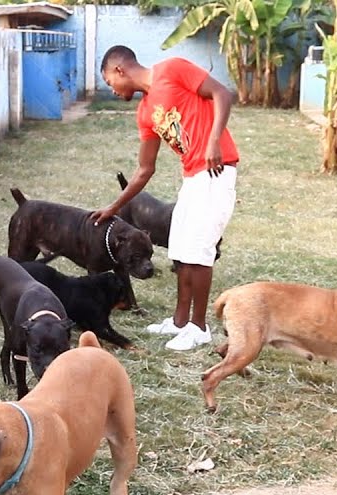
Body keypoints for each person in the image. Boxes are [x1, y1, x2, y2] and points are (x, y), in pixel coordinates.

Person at [90, 46, 239, 351]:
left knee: (199, 250)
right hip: (193, 177)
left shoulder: (172, 69)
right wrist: (114, 207)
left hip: (215, 170)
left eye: (109, 82)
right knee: (181, 249)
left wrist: (214, 142)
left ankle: (199, 327)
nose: (113, 90)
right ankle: (180, 321)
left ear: (120, 70)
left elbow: (222, 93)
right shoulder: (145, 112)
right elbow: (145, 169)